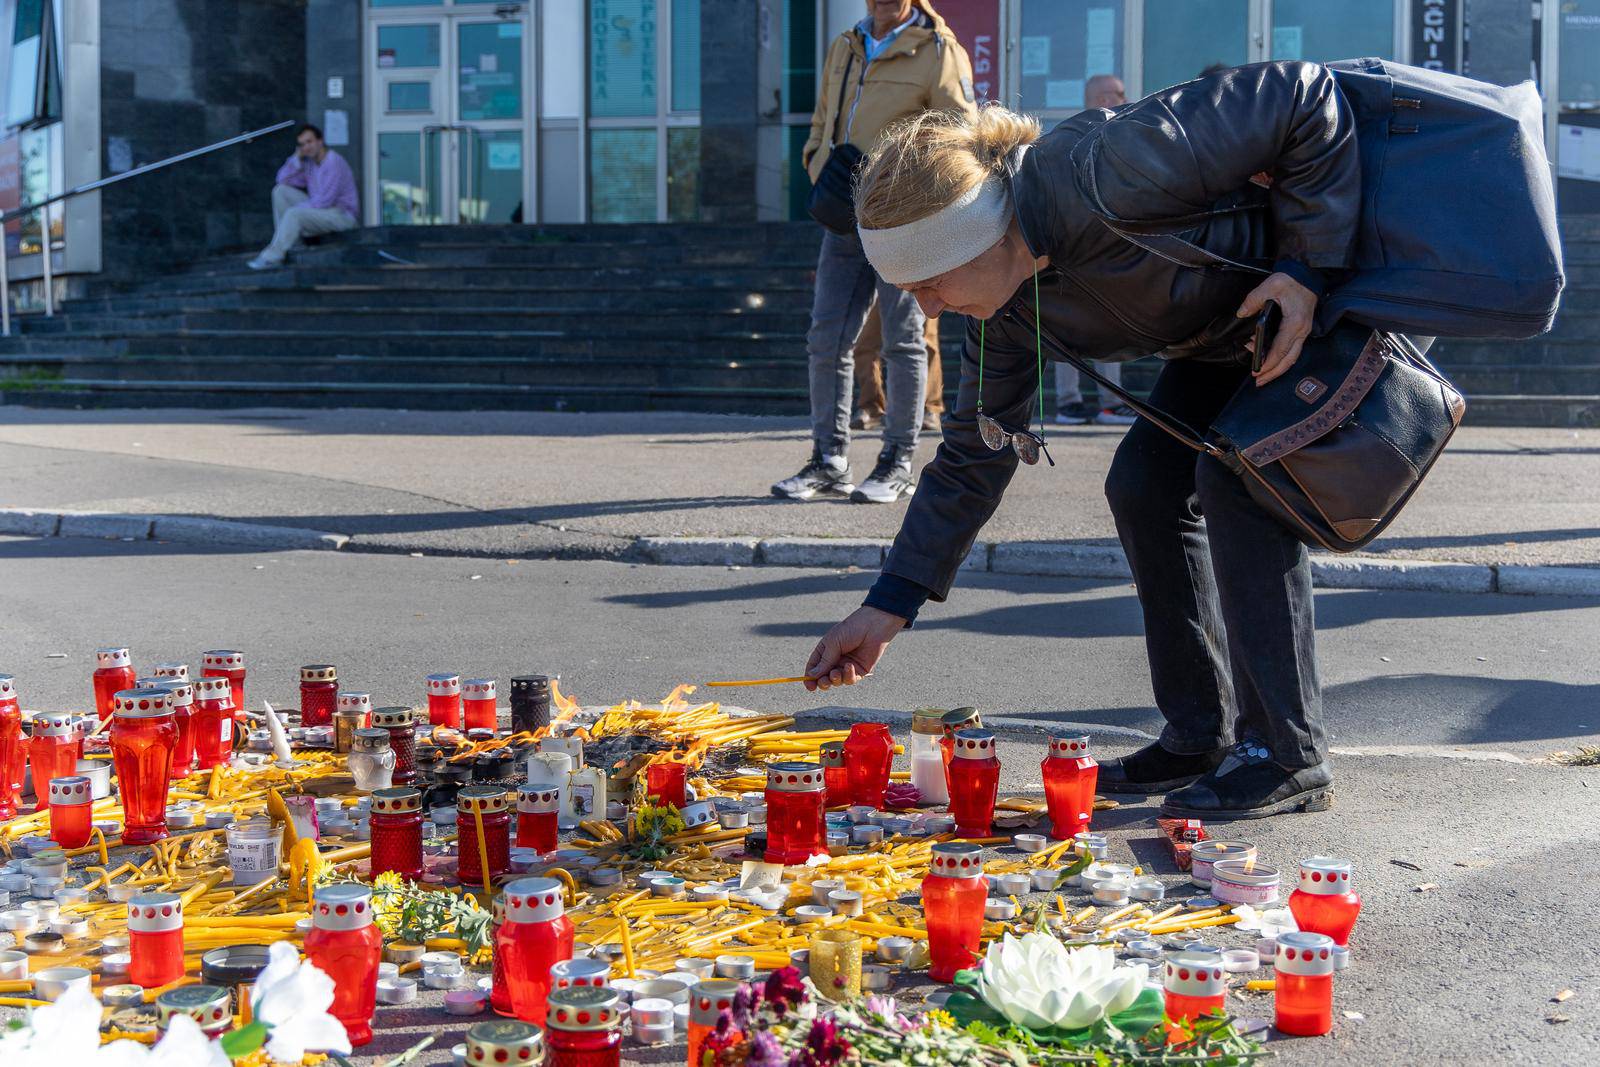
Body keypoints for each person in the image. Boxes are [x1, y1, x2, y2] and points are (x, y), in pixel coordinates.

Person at [801, 62, 1398, 821]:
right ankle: (1198, 736)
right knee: (1144, 485)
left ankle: (1285, 753)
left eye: (929, 284)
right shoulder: (1004, 311)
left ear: (978, 236)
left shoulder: (1106, 168)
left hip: (1314, 292)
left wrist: (1305, 267)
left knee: (1235, 483)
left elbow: (1303, 94)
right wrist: (885, 608)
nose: (926, 309)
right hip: (1224, 338)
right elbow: (971, 457)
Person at [773, 0, 978, 504]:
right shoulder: (846, 45)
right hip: (843, 217)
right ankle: (828, 460)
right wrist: (817, 163)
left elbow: (958, 134)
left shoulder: (937, 50)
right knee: (826, 339)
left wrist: (911, 191)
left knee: (904, 341)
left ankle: (897, 461)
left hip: (901, 222)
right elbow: (825, 120)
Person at [1054, 73, 1136, 426]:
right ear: (1103, 99)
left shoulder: (1120, 136)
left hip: (1105, 245)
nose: (1125, 98)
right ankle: (1075, 403)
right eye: (1119, 93)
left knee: (1109, 322)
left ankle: (1101, 402)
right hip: (1078, 245)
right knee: (1067, 325)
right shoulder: (1080, 138)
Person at [248, 124, 358, 271]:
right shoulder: (309, 164)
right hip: (321, 212)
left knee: (294, 214)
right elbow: (282, 179)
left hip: (341, 216)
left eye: (309, 141)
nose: (306, 147)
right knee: (280, 191)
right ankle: (292, 245)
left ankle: (272, 257)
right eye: (302, 144)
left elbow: (325, 200)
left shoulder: (334, 162)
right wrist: (296, 159)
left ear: (320, 141)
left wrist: (294, 211)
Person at [852, 301, 945, 432]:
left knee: (926, 341)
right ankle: (871, 407)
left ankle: (930, 408)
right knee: (866, 341)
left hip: (922, 283)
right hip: (879, 283)